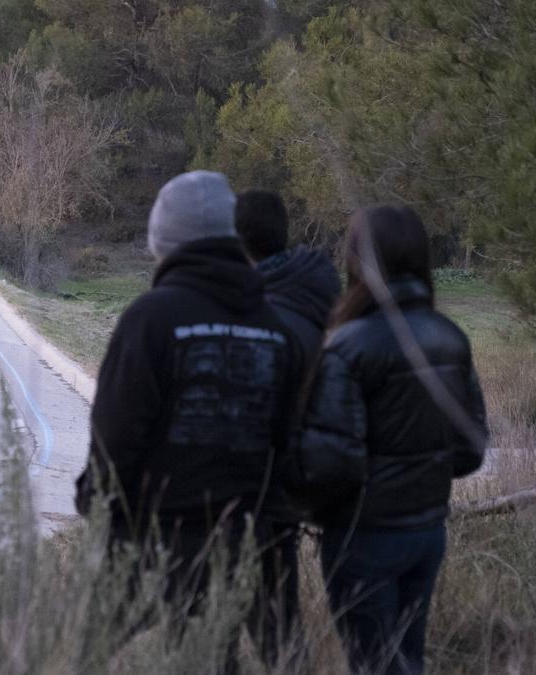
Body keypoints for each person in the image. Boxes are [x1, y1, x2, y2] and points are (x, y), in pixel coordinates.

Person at [75, 171, 299, 663]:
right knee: (247, 658)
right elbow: (288, 441)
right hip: (254, 536)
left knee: (85, 652)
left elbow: (117, 432)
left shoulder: (152, 319)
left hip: (163, 534)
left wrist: (96, 498)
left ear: (165, 241)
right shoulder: (274, 326)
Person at [293, 205, 488, 675]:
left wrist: (302, 505)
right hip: (426, 532)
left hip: (365, 537)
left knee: (374, 665)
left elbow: (333, 460)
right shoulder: (451, 338)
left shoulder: (348, 346)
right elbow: (469, 450)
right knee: (406, 661)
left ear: (357, 261)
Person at [235, 189, 342, 656]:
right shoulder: (314, 293)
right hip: (306, 478)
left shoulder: (264, 314)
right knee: (280, 615)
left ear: (239, 241)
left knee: (254, 620)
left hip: (260, 485)